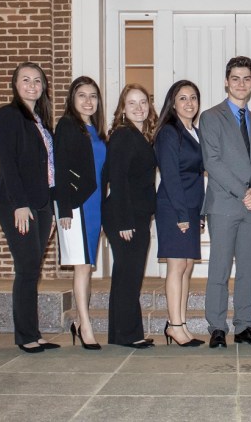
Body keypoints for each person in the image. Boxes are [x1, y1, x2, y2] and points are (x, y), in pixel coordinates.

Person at [200, 56, 251, 348]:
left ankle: (244, 326)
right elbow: (212, 163)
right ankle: (217, 326)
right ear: (227, 82)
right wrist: (246, 191)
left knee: (247, 271)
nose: (241, 84)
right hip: (225, 205)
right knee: (219, 270)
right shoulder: (210, 116)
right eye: (236, 78)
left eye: (246, 78)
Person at [0, 62, 60, 353]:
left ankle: (34, 332)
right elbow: (7, 162)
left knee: (34, 268)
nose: (32, 85)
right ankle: (25, 335)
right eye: (26, 80)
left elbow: (51, 168)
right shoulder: (8, 116)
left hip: (42, 204)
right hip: (17, 203)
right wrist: (19, 204)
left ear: (43, 87)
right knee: (27, 267)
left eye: (37, 80)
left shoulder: (41, 122)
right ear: (15, 85)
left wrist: (54, 208)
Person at [102, 84, 158, 348]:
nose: (139, 108)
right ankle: (128, 335)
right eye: (132, 103)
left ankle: (120, 334)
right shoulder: (124, 135)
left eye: (143, 102)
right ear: (123, 109)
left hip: (135, 215)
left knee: (126, 275)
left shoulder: (139, 135)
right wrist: (124, 220)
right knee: (129, 276)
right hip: (125, 217)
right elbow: (118, 179)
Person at [54, 76, 107, 351]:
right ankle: (85, 326)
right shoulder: (66, 126)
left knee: (87, 265)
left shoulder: (96, 130)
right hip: (77, 205)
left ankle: (79, 320)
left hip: (96, 205)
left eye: (93, 96)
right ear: (72, 100)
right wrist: (64, 207)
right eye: (82, 96)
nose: (88, 101)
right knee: (82, 266)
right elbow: (60, 167)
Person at [153, 80, 205, 347]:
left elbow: (197, 175)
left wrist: (200, 212)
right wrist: (183, 214)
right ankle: (174, 325)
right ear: (173, 103)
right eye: (183, 98)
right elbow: (171, 176)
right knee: (176, 266)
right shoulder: (169, 132)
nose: (189, 103)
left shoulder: (194, 131)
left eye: (193, 98)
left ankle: (181, 322)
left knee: (187, 266)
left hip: (192, 207)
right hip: (174, 207)